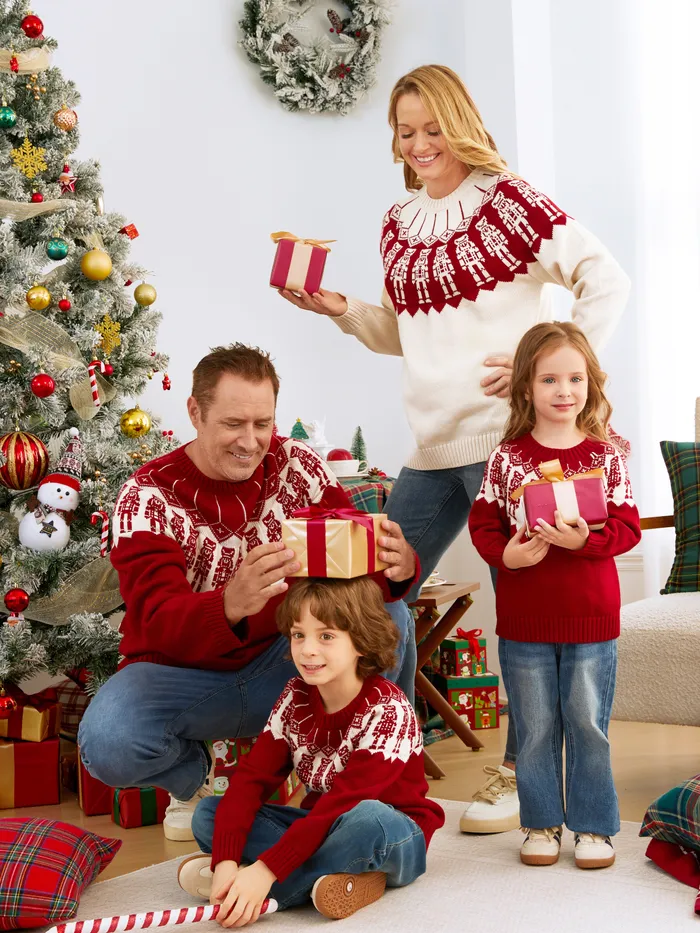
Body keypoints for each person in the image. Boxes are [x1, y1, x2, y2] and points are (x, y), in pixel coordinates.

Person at [277, 64, 631, 833]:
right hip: (432, 448)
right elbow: (407, 335)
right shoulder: (398, 221)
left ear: (460, 122)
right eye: (406, 131)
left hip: (506, 443)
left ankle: (514, 773)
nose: (420, 142)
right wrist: (342, 309)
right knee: (369, 596)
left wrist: (551, 363)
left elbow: (607, 279)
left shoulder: (511, 200)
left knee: (528, 606)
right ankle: (382, 754)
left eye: (432, 126)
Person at [77, 344, 419, 842]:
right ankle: (193, 779)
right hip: (182, 674)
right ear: (195, 412)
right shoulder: (146, 497)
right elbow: (154, 618)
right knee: (109, 741)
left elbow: (358, 567)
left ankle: (362, 782)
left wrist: (399, 568)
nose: (251, 441)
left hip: (287, 662)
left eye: (263, 423)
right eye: (234, 423)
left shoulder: (296, 467)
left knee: (390, 615)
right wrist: (228, 604)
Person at [468, 322, 641, 868]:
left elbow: (628, 527)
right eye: (549, 379)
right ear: (525, 389)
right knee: (536, 728)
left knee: (587, 725)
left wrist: (587, 541)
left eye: (575, 378)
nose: (564, 390)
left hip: (591, 620)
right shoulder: (507, 458)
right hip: (524, 623)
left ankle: (594, 829)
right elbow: (484, 524)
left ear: (590, 383)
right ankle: (540, 824)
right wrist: (507, 557)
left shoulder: (606, 455)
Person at [178, 575, 445, 924]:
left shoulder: (388, 711)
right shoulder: (295, 696)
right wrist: (226, 860)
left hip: (390, 834)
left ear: (361, 641)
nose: (307, 650)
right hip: (321, 825)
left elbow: (342, 806)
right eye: (298, 635)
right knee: (209, 814)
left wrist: (264, 872)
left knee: (367, 818)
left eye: (327, 636)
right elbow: (251, 781)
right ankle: (333, 881)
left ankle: (269, 893)